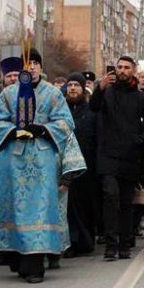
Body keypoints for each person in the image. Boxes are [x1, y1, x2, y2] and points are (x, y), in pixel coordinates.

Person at [0, 49, 84, 283]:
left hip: (42, 160)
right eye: (28, 64)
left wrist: (44, 129)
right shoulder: (9, 93)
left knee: (40, 209)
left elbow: (66, 122)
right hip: (13, 159)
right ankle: (18, 260)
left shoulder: (53, 94)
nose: (32, 68)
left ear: (40, 67)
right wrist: (11, 131)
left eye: (36, 63)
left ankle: (36, 265)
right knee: (13, 208)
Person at [90, 56, 144, 261]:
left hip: (130, 156)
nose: (122, 70)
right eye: (119, 67)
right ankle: (111, 244)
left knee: (126, 202)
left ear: (133, 70)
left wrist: (139, 140)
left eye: (127, 67)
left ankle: (125, 243)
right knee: (110, 196)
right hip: (108, 155)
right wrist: (100, 88)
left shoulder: (141, 98)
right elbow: (93, 107)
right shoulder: (106, 92)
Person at [62, 72, 98, 258]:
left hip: (87, 165)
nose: (73, 88)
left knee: (85, 204)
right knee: (68, 205)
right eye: (70, 85)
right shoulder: (61, 111)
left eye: (76, 85)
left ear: (83, 89)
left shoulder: (91, 111)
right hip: (65, 165)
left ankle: (86, 241)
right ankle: (71, 242)